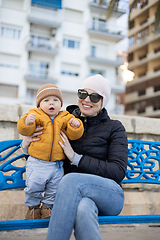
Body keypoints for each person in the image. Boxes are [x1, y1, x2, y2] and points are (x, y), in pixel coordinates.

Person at [22, 74, 128, 240]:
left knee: (70, 179)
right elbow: (46, 161)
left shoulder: (114, 127)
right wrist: (26, 148)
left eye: (94, 96)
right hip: (76, 196)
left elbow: (118, 171)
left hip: (109, 194)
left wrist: (75, 158)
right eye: (83, 93)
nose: (87, 100)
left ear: (103, 101)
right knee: (83, 208)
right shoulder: (63, 121)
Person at [17, 83, 84, 220]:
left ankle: (48, 208)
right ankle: (33, 208)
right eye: (46, 100)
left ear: (61, 104)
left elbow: (74, 135)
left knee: (54, 189)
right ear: (39, 104)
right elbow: (23, 129)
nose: (51, 103)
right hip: (37, 162)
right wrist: (28, 123)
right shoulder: (35, 114)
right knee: (33, 186)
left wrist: (76, 126)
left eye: (55, 100)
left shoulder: (65, 116)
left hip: (57, 164)